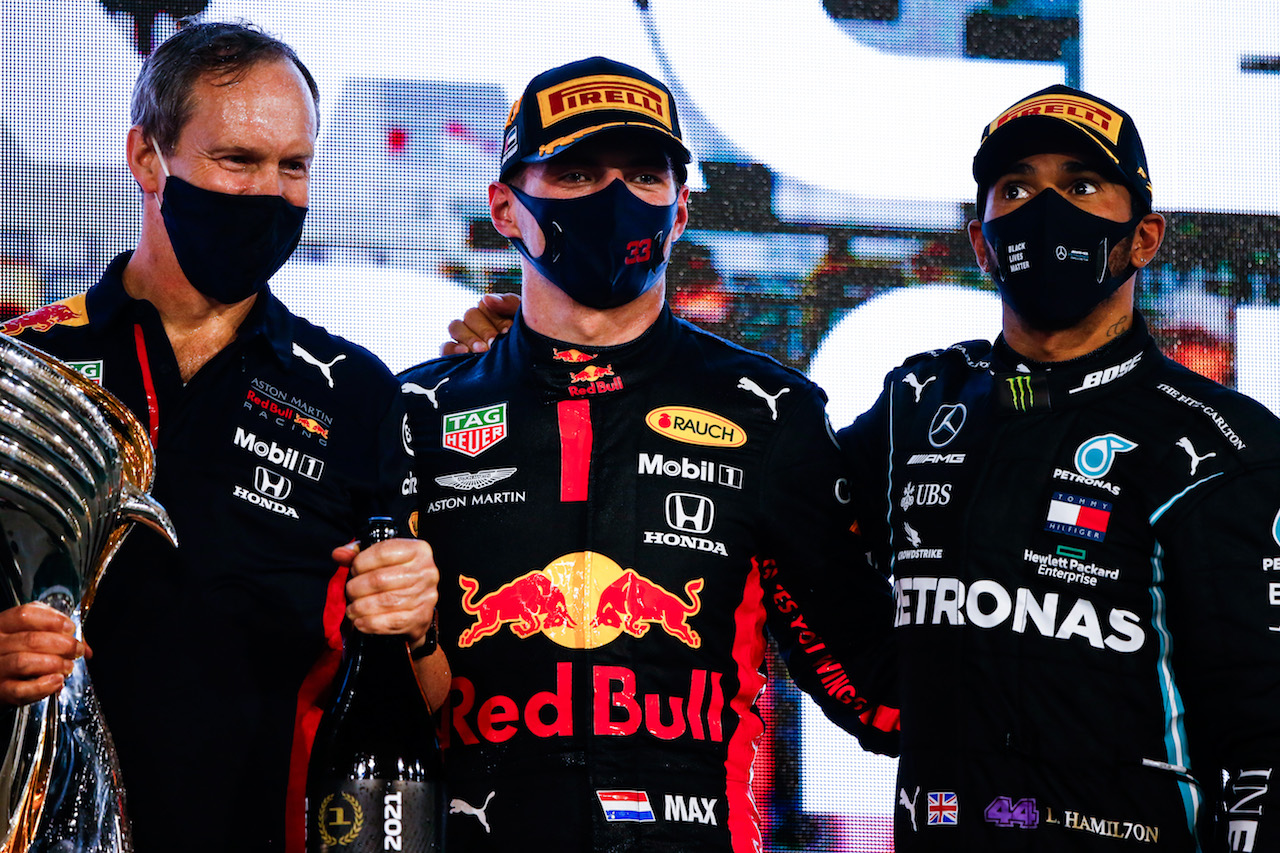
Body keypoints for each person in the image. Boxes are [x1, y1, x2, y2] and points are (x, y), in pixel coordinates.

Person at [399, 56, 898, 852]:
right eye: (575, 172)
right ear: (505, 204)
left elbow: (879, 693)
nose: (614, 198)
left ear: (681, 205)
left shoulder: (768, 413)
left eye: (643, 175)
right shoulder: (419, 412)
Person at [0, 22, 446, 853]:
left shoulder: (354, 392)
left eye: (294, 166)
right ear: (146, 158)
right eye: (238, 161)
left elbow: (426, 700)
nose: (269, 193)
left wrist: (415, 628)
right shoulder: (23, 366)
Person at [839, 85, 1280, 851]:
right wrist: (875, 699)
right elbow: (796, 548)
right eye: (1016, 188)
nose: (1045, 210)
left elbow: (1264, 728)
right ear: (981, 243)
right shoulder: (917, 402)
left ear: (1144, 238)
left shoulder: (1223, 445)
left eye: (1080, 185)